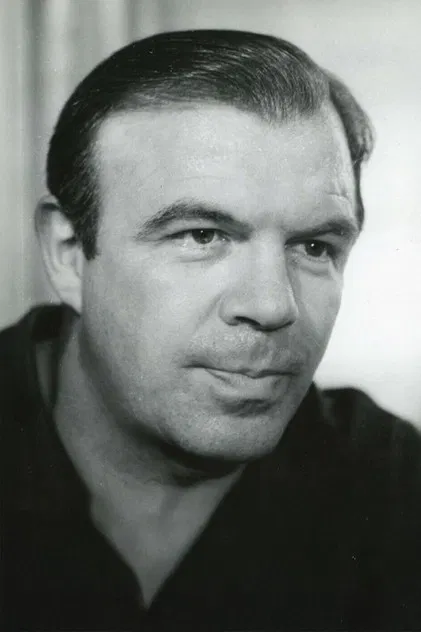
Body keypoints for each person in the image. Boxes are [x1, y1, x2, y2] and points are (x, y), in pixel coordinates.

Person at [1, 29, 421, 631]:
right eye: (202, 235)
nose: (273, 305)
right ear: (68, 253)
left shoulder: (394, 490)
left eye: (313, 246)